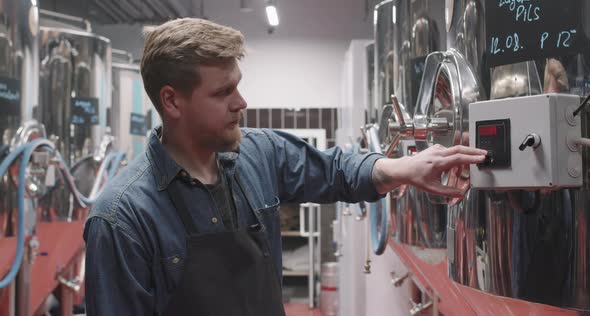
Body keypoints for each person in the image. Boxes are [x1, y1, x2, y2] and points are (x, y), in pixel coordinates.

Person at [83, 18, 486, 315]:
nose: (241, 102)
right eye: (223, 92)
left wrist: (402, 168)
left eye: (238, 85)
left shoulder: (259, 154)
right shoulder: (123, 218)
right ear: (171, 102)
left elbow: (335, 171)